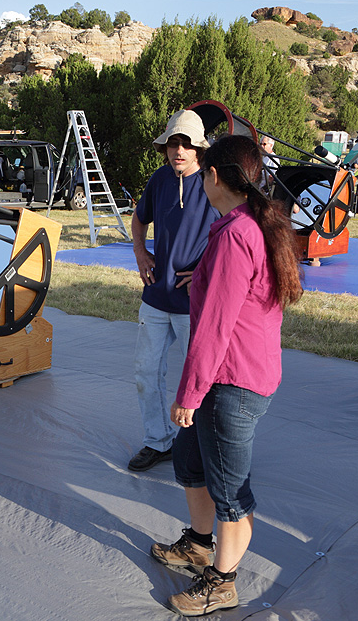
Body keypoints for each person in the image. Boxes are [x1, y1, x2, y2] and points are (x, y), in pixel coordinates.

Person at [150, 135, 303, 616]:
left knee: (231, 493)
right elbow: (245, 291)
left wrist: (189, 396)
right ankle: (198, 544)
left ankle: (223, 582)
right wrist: (206, 275)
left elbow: (215, 329)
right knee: (188, 462)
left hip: (231, 381)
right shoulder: (247, 224)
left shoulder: (237, 233)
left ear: (214, 176)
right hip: (232, 374)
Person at [128, 109, 220, 472]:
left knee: (202, 379)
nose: (178, 150)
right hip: (156, 295)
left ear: (199, 148)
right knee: (145, 372)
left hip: (193, 302)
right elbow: (139, 218)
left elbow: (235, 232)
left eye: (186, 144)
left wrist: (203, 269)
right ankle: (158, 441)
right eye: (172, 143)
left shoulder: (214, 182)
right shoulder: (160, 179)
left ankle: (209, 450)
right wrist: (140, 252)